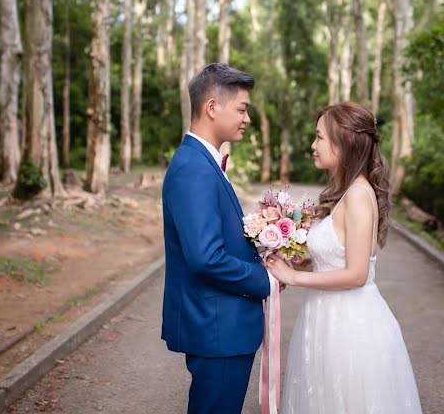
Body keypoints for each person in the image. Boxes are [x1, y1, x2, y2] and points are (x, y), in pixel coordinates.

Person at [263, 102, 423, 414]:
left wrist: (293, 277)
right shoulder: (345, 192)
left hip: (349, 324)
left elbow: (356, 274)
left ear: (344, 143)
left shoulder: (359, 196)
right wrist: (306, 262)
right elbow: (338, 255)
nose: (313, 145)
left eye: (320, 137)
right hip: (325, 316)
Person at [161, 63, 271, 414]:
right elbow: (206, 257)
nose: (246, 119)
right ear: (212, 108)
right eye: (242, 109)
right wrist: (265, 279)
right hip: (217, 328)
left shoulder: (204, 163)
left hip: (223, 326)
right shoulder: (193, 168)